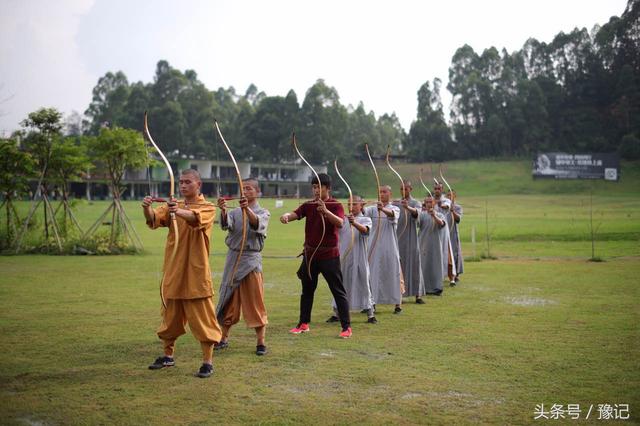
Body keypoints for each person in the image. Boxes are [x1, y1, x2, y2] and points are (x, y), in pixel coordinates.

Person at [142, 169, 222, 379]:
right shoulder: (172, 206)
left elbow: (195, 218)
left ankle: (207, 362)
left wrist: (176, 211)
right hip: (174, 271)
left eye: (188, 182)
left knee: (203, 320)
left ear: (199, 185)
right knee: (170, 318)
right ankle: (167, 356)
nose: (183, 185)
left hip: (196, 274)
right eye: (180, 182)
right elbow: (153, 219)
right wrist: (147, 208)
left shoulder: (207, 207)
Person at [280, 173, 352, 338]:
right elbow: (295, 214)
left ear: (328, 188)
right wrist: (286, 216)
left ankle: (346, 327)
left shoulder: (335, 205)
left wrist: (326, 211)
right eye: (314, 187)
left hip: (329, 255)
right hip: (311, 255)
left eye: (319, 187)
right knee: (307, 290)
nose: (316, 190)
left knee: (337, 290)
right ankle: (303, 323)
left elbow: (340, 223)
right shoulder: (309, 205)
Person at [214, 178, 270, 356]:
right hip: (233, 258)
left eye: (249, 188)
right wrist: (223, 210)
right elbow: (225, 225)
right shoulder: (235, 211)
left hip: (251, 260)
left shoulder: (263, 212)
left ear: (257, 191)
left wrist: (246, 209)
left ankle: (261, 342)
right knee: (228, 300)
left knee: (255, 302)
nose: (245, 191)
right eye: (243, 188)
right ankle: (223, 338)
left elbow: (257, 224)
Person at [326, 196, 376, 324]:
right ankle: (336, 313)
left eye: (354, 204)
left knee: (364, 283)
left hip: (360, 257)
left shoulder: (366, 219)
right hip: (344, 257)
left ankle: (370, 314)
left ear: (361, 205)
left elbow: (365, 231)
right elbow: (335, 226)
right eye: (349, 204)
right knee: (340, 284)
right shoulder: (343, 220)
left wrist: (354, 223)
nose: (351, 206)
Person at [365, 185, 403, 313]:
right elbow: (362, 213)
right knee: (373, 274)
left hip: (390, 246)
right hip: (374, 246)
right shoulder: (372, 209)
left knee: (394, 272)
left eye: (384, 192)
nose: (382, 194)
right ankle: (372, 303)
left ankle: (398, 304)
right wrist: (360, 204)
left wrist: (383, 210)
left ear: (390, 194)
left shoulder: (395, 208)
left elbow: (392, 216)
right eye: (380, 192)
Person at [393, 180, 425, 304]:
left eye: (405, 189)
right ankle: (399, 293)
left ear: (410, 189)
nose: (403, 191)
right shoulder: (396, 203)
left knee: (414, 264)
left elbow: (418, 214)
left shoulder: (415, 203)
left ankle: (418, 294)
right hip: (398, 238)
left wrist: (408, 207)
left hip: (411, 239)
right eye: (401, 189)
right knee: (399, 266)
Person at [418, 196, 447, 295]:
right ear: (424, 204)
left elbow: (442, 224)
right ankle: (424, 287)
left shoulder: (440, 214)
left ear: (434, 203)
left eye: (431, 202)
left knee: (436, 265)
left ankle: (437, 287)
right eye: (427, 202)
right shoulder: (422, 215)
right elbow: (416, 223)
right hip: (423, 243)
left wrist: (434, 215)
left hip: (436, 244)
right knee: (424, 265)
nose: (429, 204)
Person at [433, 182, 457, 286]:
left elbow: (446, 206)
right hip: (432, 230)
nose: (437, 190)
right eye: (435, 188)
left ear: (442, 189)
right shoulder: (431, 199)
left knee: (447, 254)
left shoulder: (446, 200)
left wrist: (439, 204)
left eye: (439, 188)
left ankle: (452, 278)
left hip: (443, 230)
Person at [447, 190, 464, 285]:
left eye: (451, 195)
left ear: (455, 196)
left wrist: (452, 211)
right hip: (444, 232)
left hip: (453, 232)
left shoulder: (457, 207)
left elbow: (458, 219)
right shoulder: (444, 207)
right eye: (448, 195)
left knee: (454, 253)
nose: (449, 197)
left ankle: (456, 274)